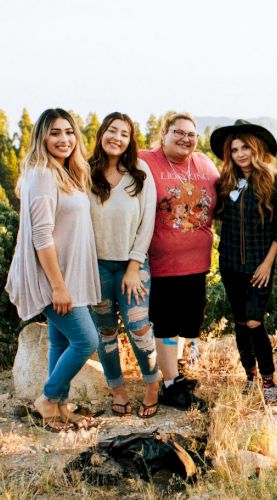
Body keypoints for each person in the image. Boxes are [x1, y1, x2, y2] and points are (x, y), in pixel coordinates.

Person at [5, 108, 100, 431]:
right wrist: (58, 286)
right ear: (42, 137)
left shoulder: (63, 172)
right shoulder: (43, 174)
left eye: (69, 132)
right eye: (55, 133)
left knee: (61, 342)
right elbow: (41, 236)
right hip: (53, 278)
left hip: (68, 275)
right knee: (87, 340)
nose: (64, 139)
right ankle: (47, 398)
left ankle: (58, 407)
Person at [139, 112, 219, 410]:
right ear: (164, 134)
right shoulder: (146, 160)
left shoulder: (205, 164)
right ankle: (170, 384)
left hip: (198, 262)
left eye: (190, 134)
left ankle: (177, 374)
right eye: (178, 132)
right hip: (162, 262)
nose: (185, 138)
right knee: (166, 324)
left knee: (188, 324)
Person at [210, 120, 277, 413]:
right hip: (230, 266)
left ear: (256, 148)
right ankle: (250, 376)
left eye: (245, 147)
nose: (241, 154)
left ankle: (269, 383)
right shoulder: (225, 182)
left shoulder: (274, 180)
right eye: (235, 149)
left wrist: (268, 263)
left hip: (260, 267)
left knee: (256, 321)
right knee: (241, 323)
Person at [88, 112, 159, 418]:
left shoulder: (139, 172)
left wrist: (133, 266)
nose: (116, 137)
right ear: (102, 133)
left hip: (133, 264)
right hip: (95, 268)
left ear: (131, 140)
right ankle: (117, 389)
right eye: (111, 130)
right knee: (105, 332)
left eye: (124, 133)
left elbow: (147, 223)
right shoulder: (84, 172)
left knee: (139, 328)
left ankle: (152, 386)